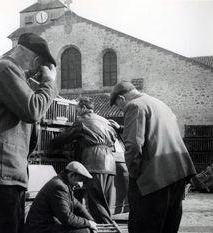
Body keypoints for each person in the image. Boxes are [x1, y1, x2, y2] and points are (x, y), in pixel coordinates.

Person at [0, 33, 58, 233]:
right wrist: (49, 83)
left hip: (0, 173)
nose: (35, 74)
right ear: (35, 60)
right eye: (37, 69)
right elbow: (32, 110)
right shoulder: (6, 70)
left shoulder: (5, 72)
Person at [110, 81, 196, 233]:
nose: (121, 109)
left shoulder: (134, 105)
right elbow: (156, 133)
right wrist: (123, 128)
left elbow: (133, 146)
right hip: (179, 174)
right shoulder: (160, 104)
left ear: (122, 99)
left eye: (118, 106)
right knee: (168, 226)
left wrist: (134, 175)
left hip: (155, 178)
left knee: (143, 227)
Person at [51, 97, 119, 224]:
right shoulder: (105, 120)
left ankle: (105, 227)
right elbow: (114, 138)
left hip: (94, 161)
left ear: (83, 108)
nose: (76, 113)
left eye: (77, 110)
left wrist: (53, 143)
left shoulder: (82, 120)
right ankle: (105, 225)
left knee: (95, 202)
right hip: (110, 163)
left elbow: (67, 136)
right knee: (105, 201)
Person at [25, 161, 99, 233]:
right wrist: (88, 223)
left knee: (85, 228)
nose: (80, 185)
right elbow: (67, 218)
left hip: (47, 225)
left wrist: (91, 220)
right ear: (72, 175)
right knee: (83, 231)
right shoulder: (59, 186)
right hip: (39, 228)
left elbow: (77, 205)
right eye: (79, 180)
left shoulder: (64, 183)